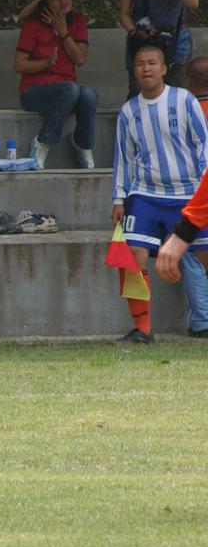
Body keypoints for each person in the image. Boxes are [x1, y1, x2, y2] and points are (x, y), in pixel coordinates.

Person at [111, 43, 208, 344]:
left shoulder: (185, 101)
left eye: (152, 62)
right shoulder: (129, 111)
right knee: (132, 259)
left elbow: (203, 144)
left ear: (165, 68)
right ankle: (142, 329)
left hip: (189, 194)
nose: (146, 68)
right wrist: (118, 198)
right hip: (145, 196)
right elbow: (123, 158)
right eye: (140, 63)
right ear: (134, 70)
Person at [13, 0, 98, 169]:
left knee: (88, 94)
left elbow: (80, 58)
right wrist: (44, 63)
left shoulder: (78, 21)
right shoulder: (32, 25)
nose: (62, 0)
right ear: (46, 4)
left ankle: (82, 144)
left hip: (68, 91)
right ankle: (42, 142)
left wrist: (64, 32)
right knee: (71, 89)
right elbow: (18, 65)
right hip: (34, 92)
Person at [153, 56, 208, 338]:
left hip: (190, 197)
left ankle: (202, 321)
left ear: (188, 84)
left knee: (193, 259)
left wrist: (182, 233)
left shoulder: (187, 112)